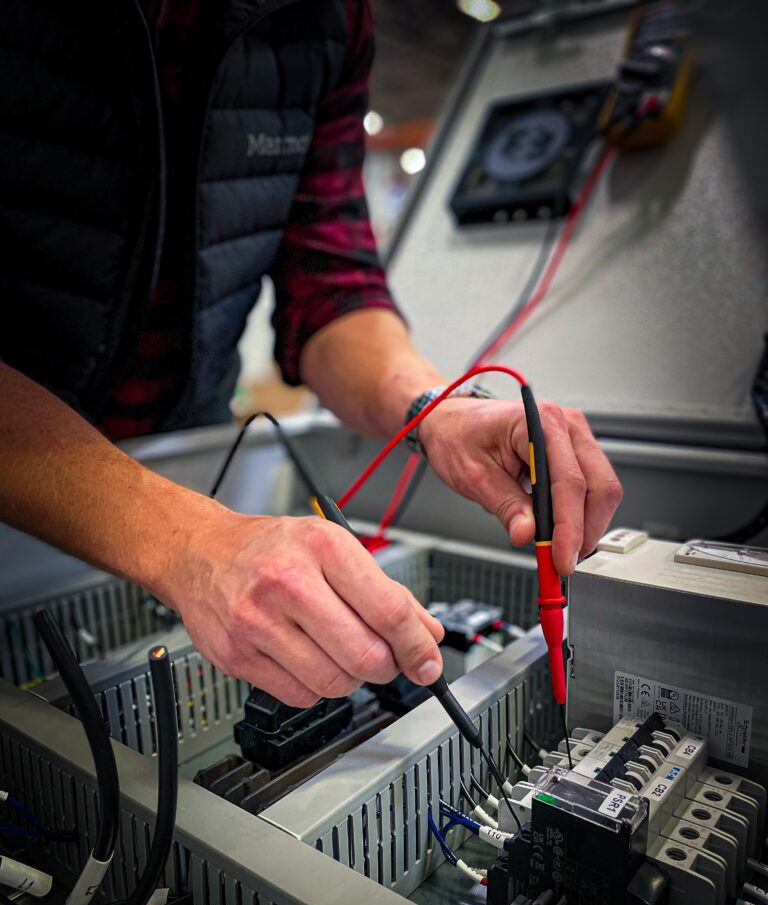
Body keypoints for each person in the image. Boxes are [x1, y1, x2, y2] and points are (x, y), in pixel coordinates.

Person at [0, 0, 622, 707]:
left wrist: (434, 409)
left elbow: (330, 285)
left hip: (190, 467)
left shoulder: (328, 18)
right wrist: (186, 540)